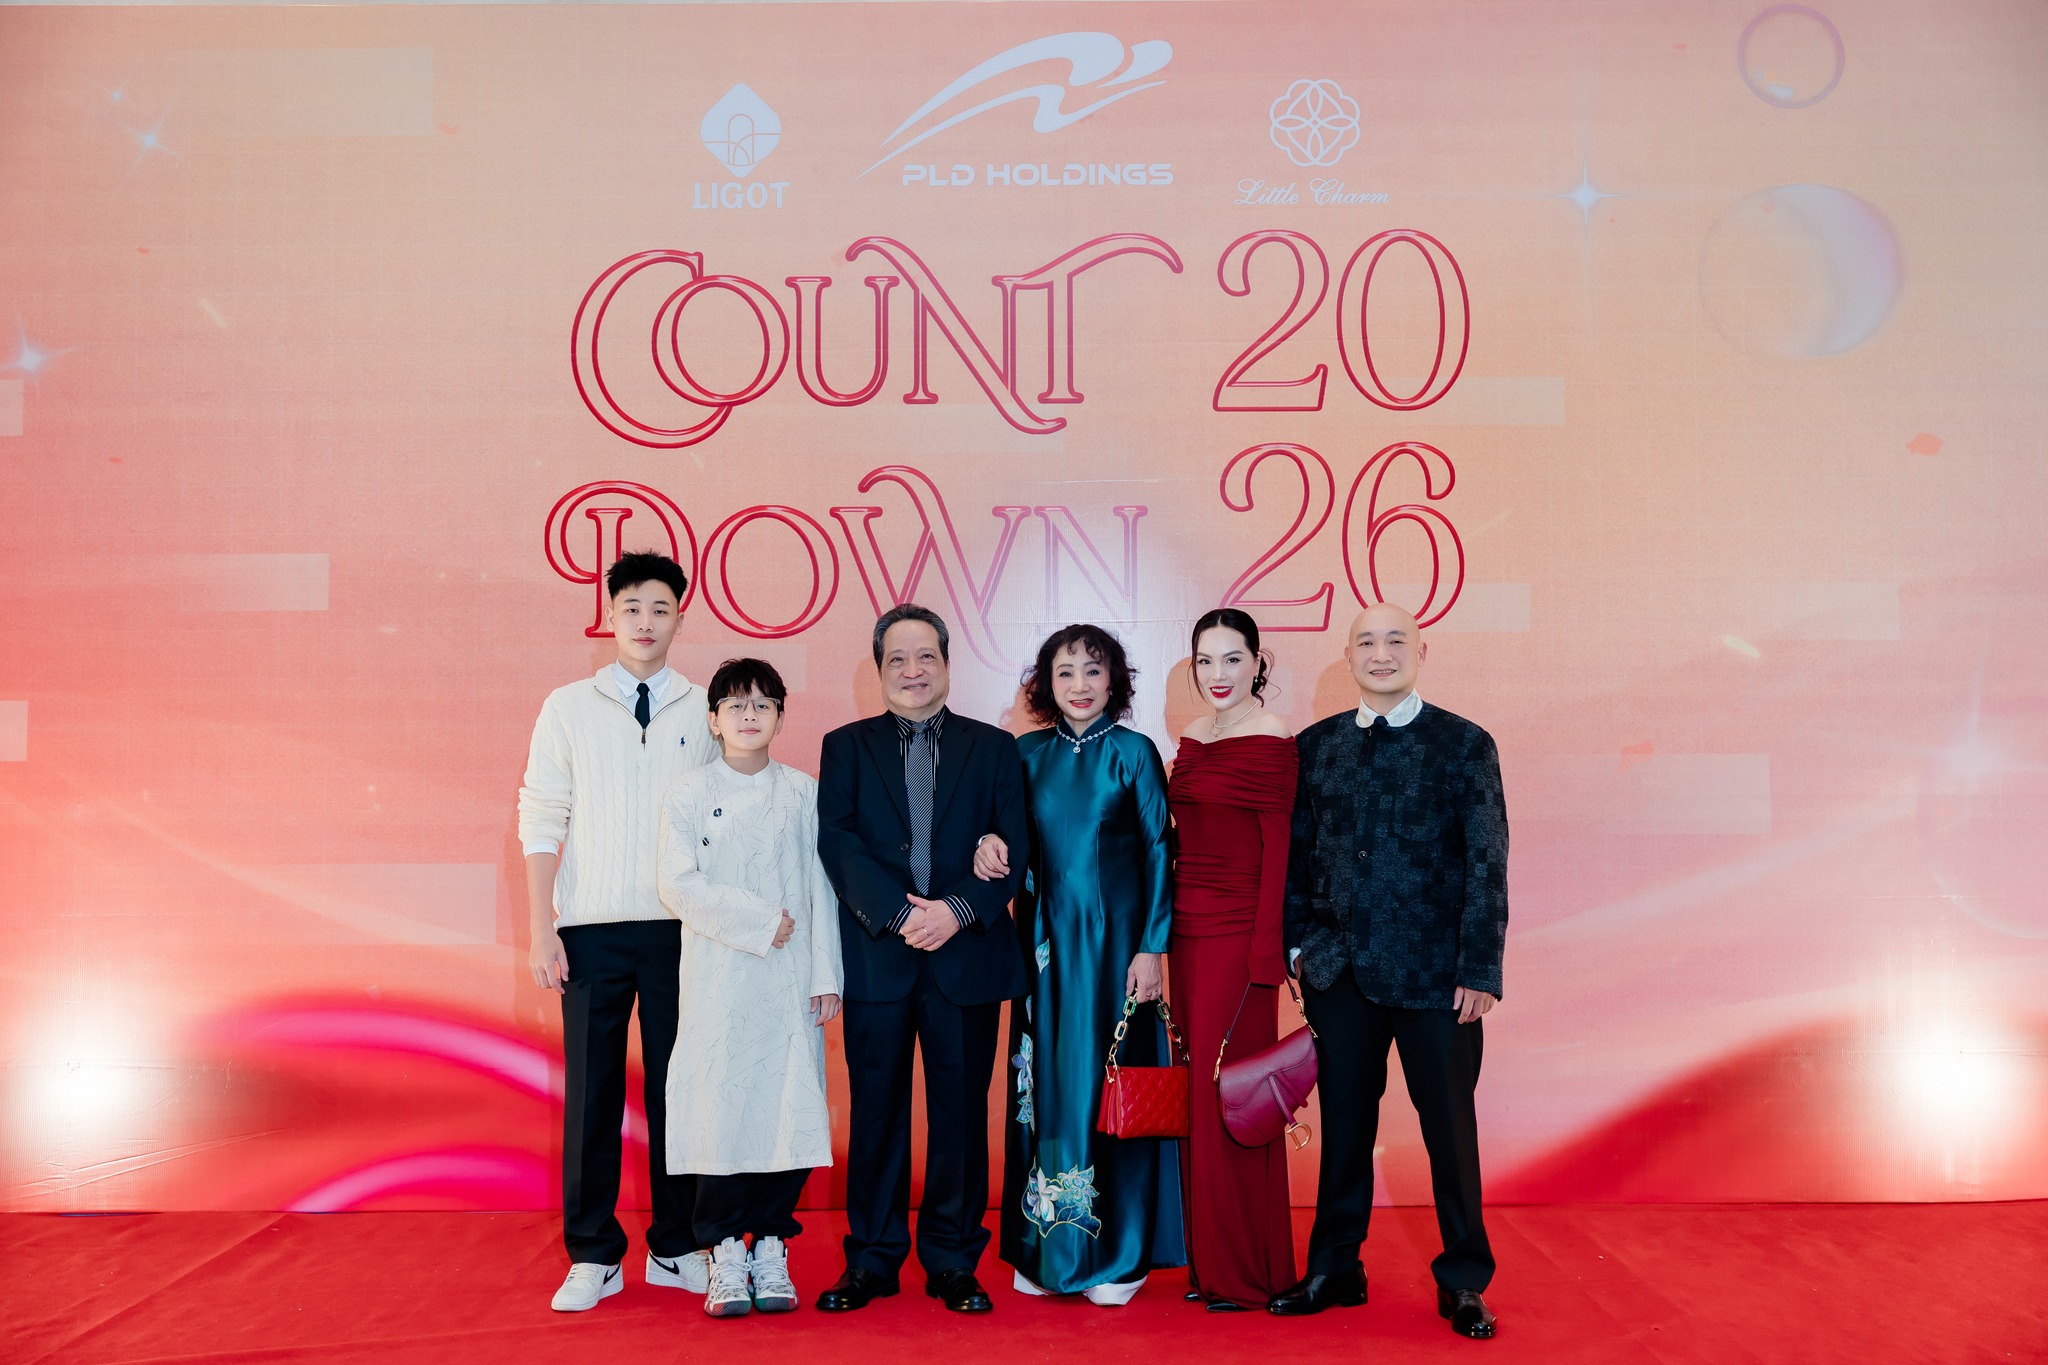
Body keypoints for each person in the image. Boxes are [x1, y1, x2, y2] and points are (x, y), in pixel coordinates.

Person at [1268, 603, 1507, 1340]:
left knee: (1450, 1130)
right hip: (1341, 973)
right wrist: (1300, 948)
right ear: (1347, 656)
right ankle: (1335, 1266)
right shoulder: (1316, 747)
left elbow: (1488, 861)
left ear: (1421, 651)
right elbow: (1295, 859)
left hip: (1439, 978)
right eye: (1366, 641)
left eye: (1396, 640)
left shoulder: (1465, 744)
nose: (1381, 653)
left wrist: (1480, 969)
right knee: (1345, 1126)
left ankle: (1463, 1279)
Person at [814, 604, 1031, 1314]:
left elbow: (1014, 842)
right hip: (879, 957)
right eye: (897, 659)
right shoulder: (846, 747)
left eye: (926, 656)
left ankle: (952, 1259)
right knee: (876, 1113)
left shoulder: (994, 748)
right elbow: (838, 843)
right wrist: (904, 914)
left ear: (947, 664)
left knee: (960, 1116)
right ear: (879, 670)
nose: (913, 671)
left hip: (966, 959)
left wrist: (955, 911)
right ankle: (873, 1259)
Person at [518, 551, 715, 1313]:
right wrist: (544, 927)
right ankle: (594, 1254)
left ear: (679, 618)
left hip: (679, 932)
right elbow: (542, 814)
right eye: (631, 607)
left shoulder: (704, 709)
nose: (645, 621)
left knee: (678, 1094)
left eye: (660, 608)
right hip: (590, 931)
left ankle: (674, 1244)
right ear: (609, 615)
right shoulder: (568, 706)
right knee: (593, 1096)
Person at [972, 624, 1184, 1305]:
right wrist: (986, 843)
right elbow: (1004, 835)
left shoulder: (1134, 753)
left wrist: (1153, 946)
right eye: (1065, 673)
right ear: (1045, 684)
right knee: (1048, 1089)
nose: (1080, 685)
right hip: (1044, 951)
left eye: (1093, 670)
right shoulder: (1025, 754)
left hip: (1120, 954)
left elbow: (1159, 852)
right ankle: (1048, 1251)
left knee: (1110, 1091)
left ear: (1114, 679)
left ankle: (1119, 1257)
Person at [658, 658, 843, 1318]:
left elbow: (822, 888)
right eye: (735, 705)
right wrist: (760, 921)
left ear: (780, 717)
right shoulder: (687, 793)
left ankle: (769, 1243)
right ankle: (723, 1253)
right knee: (719, 1111)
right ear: (713, 719)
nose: (748, 715)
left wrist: (826, 974)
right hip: (718, 978)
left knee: (786, 1107)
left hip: (790, 981)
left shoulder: (802, 792)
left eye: (763, 704)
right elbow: (677, 883)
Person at [1165, 607, 1298, 1311]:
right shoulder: (1194, 733)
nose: (1218, 674)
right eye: (1205, 660)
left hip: (1240, 936)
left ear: (1257, 662)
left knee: (1234, 1096)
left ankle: (1247, 1270)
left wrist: (1266, 954)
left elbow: (1280, 851)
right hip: (1186, 932)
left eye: (1232, 658)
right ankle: (1208, 1263)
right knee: (1198, 1091)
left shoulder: (1272, 735)